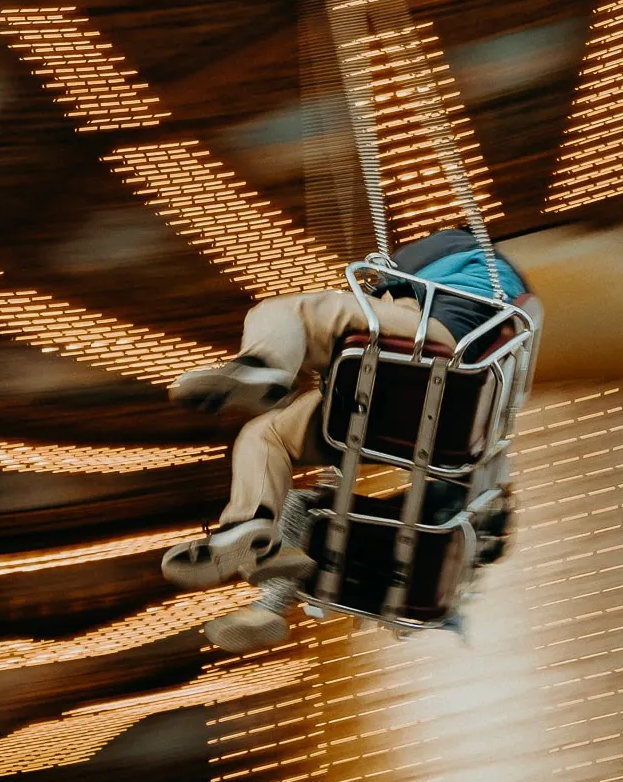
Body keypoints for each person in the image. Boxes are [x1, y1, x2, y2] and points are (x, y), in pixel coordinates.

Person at [159, 229, 533, 651]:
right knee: (265, 434)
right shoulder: (497, 287)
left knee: (294, 311)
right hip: (421, 406)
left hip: (427, 357)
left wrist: (383, 279)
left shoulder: (459, 252)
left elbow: (392, 286)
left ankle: (265, 366)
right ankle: (250, 527)